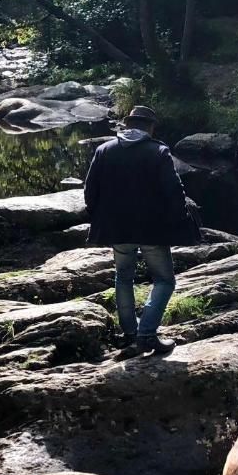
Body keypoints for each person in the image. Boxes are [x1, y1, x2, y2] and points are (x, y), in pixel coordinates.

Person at [84, 105, 200, 355]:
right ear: (150, 127)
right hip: (152, 229)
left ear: (127, 125)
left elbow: (90, 190)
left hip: (116, 228)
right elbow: (174, 191)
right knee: (165, 280)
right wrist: (180, 220)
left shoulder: (105, 150)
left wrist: (98, 217)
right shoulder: (158, 152)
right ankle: (147, 334)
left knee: (123, 276)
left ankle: (130, 334)